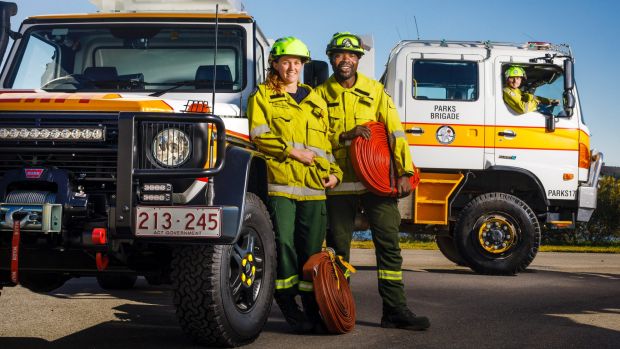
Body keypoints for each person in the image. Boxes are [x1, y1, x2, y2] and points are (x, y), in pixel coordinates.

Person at [315, 32, 430, 331]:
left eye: (351, 55)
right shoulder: (319, 96)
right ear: (330, 58)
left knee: (389, 245)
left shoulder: (375, 91)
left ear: (358, 60)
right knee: (339, 250)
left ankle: (394, 311)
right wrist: (345, 135)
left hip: (377, 183)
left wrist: (404, 171)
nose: (346, 60)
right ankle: (339, 311)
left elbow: (394, 133)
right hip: (338, 182)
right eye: (340, 54)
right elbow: (314, 138)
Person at [247, 36, 342, 333]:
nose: (291, 67)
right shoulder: (262, 96)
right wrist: (292, 152)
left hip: (314, 188)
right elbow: (259, 135)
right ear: (275, 64)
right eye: (285, 61)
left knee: (312, 251)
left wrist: (336, 173)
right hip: (281, 185)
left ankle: (313, 307)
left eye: (297, 62)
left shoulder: (315, 100)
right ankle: (288, 304)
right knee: (284, 247)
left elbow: (325, 145)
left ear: (303, 65)